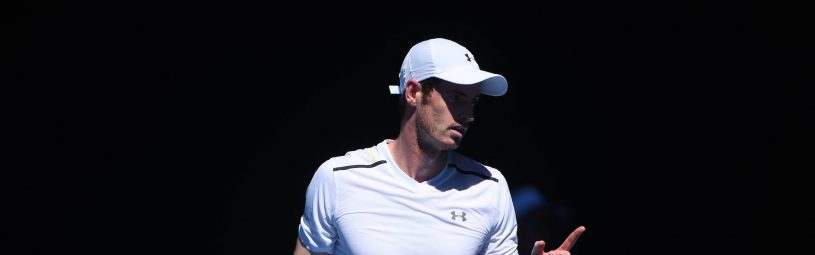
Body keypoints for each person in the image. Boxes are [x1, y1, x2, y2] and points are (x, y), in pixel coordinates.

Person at [294, 38, 585, 255]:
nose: (468, 114)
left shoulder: (490, 187)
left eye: (473, 101)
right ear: (413, 93)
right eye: (456, 97)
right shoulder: (337, 178)